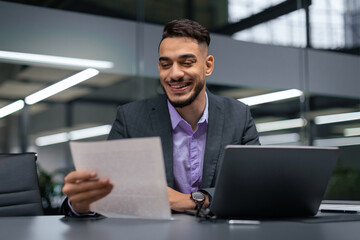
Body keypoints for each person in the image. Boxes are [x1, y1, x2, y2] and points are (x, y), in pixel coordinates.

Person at [62, 19, 260, 216]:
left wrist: (193, 200)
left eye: (187, 63)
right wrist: (82, 205)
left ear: (208, 66)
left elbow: (255, 186)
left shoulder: (238, 115)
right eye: (166, 65)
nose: (174, 74)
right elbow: (109, 194)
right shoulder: (131, 118)